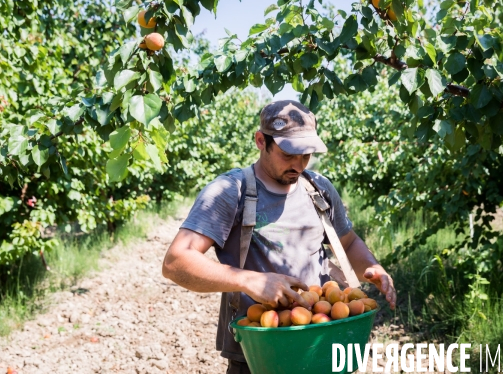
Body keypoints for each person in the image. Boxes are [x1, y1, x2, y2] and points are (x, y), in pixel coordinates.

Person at [162, 100, 397, 374]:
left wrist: (371, 265)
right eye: (289, 153)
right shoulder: (230, 191)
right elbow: (175, 262)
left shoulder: (318, 189)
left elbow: (349, 242)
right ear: (261, 141)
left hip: (321, 342)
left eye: (306, 154)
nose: (298, 164)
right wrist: (248, 280)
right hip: (261, 354)